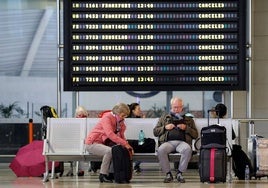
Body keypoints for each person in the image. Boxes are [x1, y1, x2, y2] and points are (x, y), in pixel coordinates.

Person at [85, 103, 133, 183]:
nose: (124, 118)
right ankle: (103, 174)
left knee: (117, 151)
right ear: (117, 113)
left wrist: (127, 146)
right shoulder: (107, 117)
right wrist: (125, 144)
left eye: (125, 116)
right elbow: (110, 134)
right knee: (110, 151)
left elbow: (121, 135)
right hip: (92, 143)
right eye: (122, 115)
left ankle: (111, 174)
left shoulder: (120, 121)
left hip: (102, 144)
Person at [153, 97, 198, 183]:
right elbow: (155, 132)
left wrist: (186, 128)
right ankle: (168, 174)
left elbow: (195, 135)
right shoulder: (164, 118)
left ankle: (180, 173)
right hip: (168, 142)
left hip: (182, 142)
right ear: (171, 107)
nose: (176, 109)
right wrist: (165, 127)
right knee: (161, 150)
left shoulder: (189, 119)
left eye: (178, 107)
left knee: (188, 149)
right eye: (174, 107)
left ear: (182, 107)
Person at [127, 103, 143, 173]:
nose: (140, 110)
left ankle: (136, 165)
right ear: (133, 111)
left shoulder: (140, 120)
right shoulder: (127, 120)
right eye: (138, 109)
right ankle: (135, 165)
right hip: (130, 141)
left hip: (136, 141)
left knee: (143, 145)